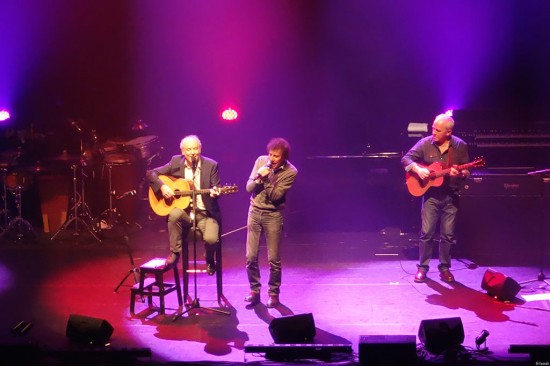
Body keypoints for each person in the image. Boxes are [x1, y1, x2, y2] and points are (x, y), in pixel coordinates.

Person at [401, 113, 470, 283]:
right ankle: (423, 268)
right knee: (427, 233)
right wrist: (418, 170)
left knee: (447, 235)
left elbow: (467, 172)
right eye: (433, 128)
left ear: (448, 132)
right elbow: (406, 159)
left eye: (437, 130)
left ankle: (444, 268)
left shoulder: (460, 146)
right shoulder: (425, 143)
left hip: (451, 196)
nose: (433, 132)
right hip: (431, 196)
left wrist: (461, 173)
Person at [146, 135, 222, 273]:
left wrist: (215, 193)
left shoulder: (211, 165)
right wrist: (163, 187)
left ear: (200, 149)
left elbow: (216, 186)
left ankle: (209, 258)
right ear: (183, 152)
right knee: (174, 214)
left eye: (195, 148)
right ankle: (175, 253)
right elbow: (151, 173)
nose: (192, 152)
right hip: (185, 213)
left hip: (205, 213)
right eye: (188, 149)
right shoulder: (176, 162)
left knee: (211, 239)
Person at [244, 137, 298, 308]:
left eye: (276, 156)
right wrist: (259, 176)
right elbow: (248, 188)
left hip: (273, 215)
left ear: (284, 157)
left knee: (273, 258)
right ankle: (254, 291)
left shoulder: (291, 171)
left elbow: (275, 197)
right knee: (250, 256)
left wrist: (266, 180)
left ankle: (273, 293)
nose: (272, 159)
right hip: (254, 212)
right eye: (270, 155)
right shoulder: (261, 161)